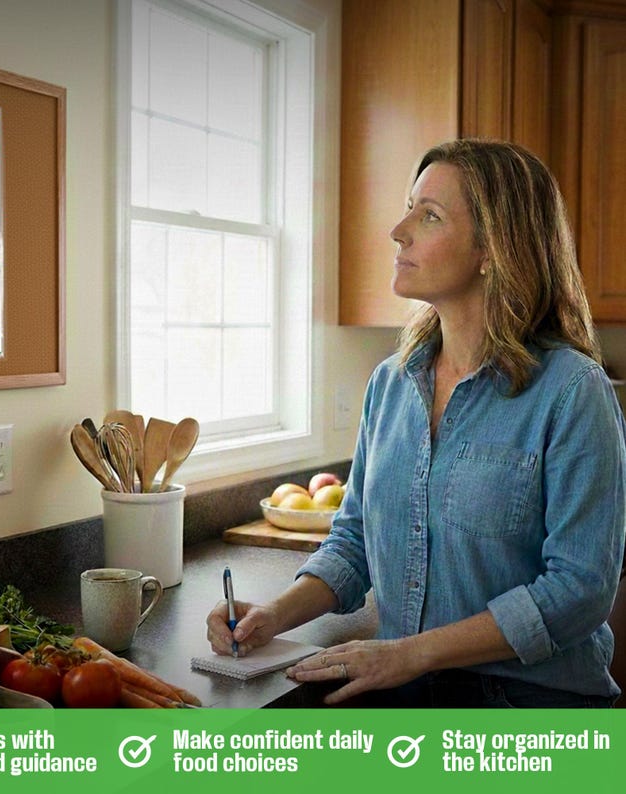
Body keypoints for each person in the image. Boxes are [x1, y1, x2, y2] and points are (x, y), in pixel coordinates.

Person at [206, 139, 626, 707]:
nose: (397, 230)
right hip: (408, 690)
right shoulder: (390, 384)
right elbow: (354, 542)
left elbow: (580, 590)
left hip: (532, 706)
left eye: (429, 215)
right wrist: (275, 614)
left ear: (493, 249)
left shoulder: (573, 391)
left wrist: (412, 652)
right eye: (409, 207)